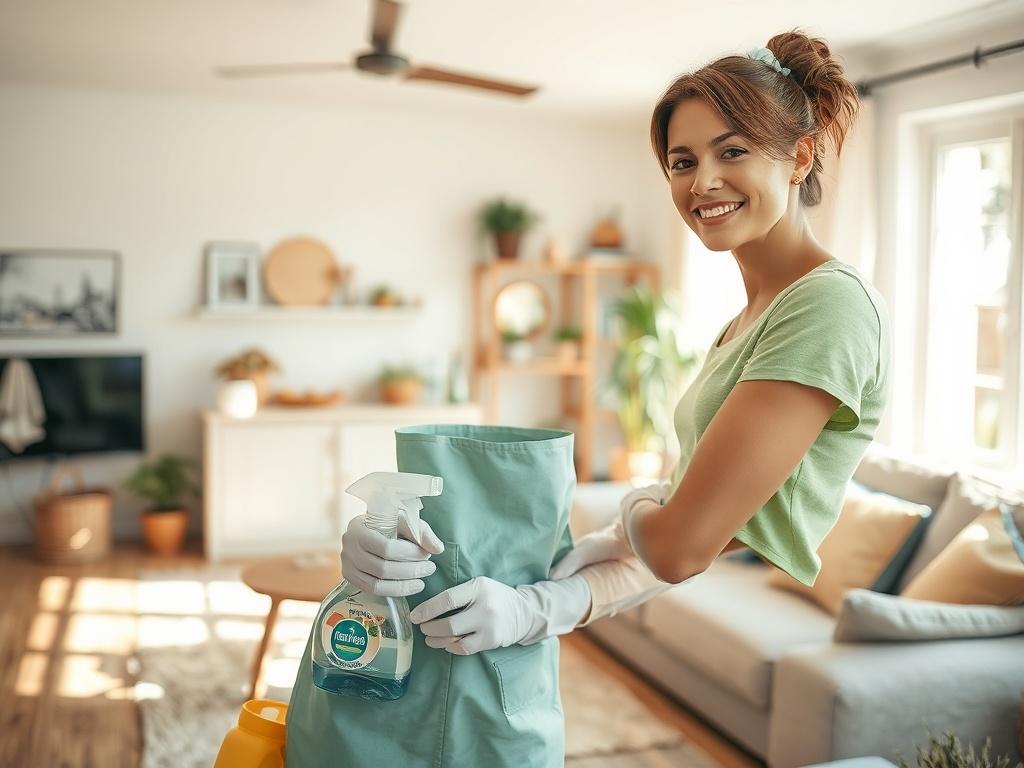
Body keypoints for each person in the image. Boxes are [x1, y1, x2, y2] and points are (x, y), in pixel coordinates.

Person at [342, 28, 891, 663]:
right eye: (682, 162)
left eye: (731, 151)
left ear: (800, 157)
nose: (703, 182)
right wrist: (547, 603)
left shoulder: (827, 306)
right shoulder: (751, 318)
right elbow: (686, 532)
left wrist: (634, 504)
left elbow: (680, 548)